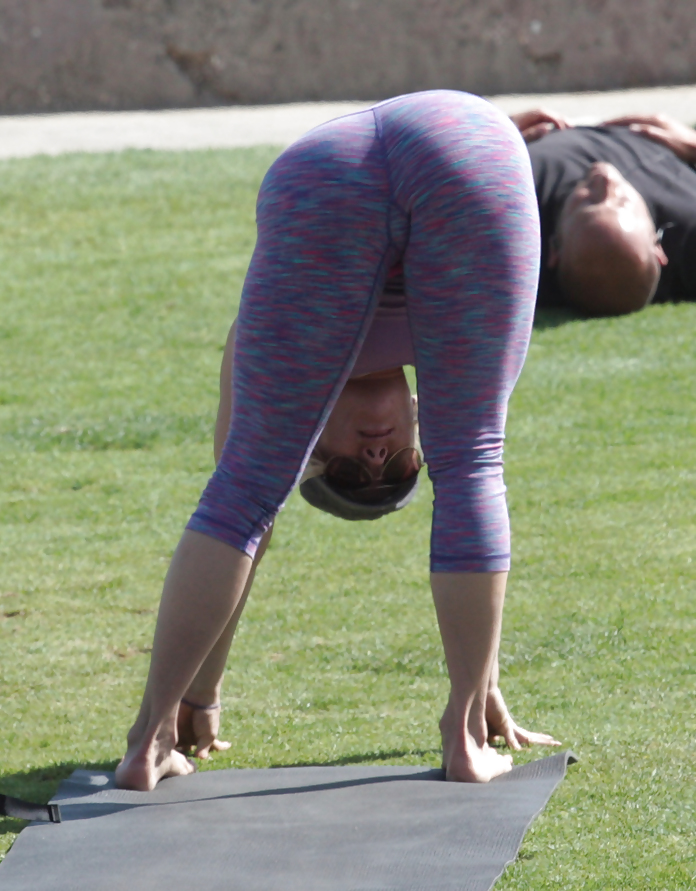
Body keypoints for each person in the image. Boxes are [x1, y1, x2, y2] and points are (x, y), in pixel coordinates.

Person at [115, 90, 560, 792]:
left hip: (330, 168)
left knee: (258, 483)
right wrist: (480, 676)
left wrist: (197, 699)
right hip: (465, 140)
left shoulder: (268, 361)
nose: (377, 457)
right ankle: (464, 733)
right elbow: (245, 507)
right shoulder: (402, 374)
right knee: (470, 460)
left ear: (312, 442)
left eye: (351, 470)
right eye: (396, 469)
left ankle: (148, 741)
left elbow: (241, 504)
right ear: (418, 420)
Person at [511, 108, 696, 316]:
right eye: (622, 202)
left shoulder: (512, 213)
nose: (607, 182)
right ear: (658, 247)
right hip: (643, 134)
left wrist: (492, 135)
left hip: (541, 133)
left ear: (553, 248)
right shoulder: (689, 233)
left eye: (590, 202)